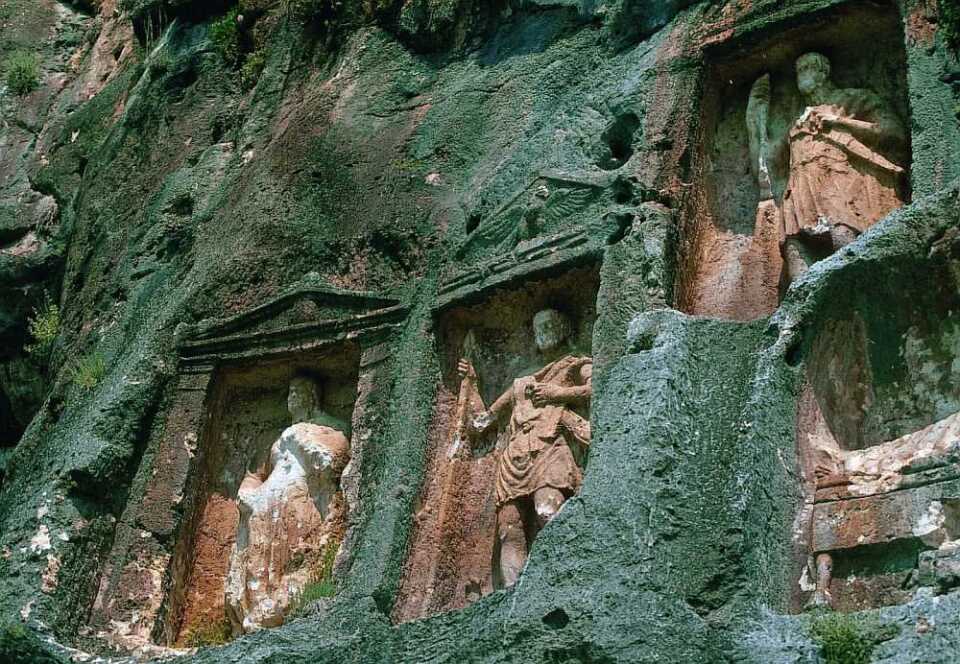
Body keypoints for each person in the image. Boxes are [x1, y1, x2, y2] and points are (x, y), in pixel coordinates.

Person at [747, 53, 907, 284]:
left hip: (840, 183)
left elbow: (893, 132)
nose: (800, 74)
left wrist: (840, 121)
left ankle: (858, 298)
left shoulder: (852, 100)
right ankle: (801, 313)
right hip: (800, 190)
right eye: (798, 70)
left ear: (824, 72)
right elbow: (767, 164)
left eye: (807, 68)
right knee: (795, 257)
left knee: (844, 240)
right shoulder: (797, 121)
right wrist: (754, 120)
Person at [459, 309, 592, 587]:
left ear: (563, 328)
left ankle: (559, 583)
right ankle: (512, 593)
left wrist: (559, 393)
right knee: (509, 529)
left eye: (547, 325)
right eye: (536, 327)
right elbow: (484, 421)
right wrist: (470, 382)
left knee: (548, 511)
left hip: (550, 446)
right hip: (515, 456)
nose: (540, 332)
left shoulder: (575, 364)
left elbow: (596, 387)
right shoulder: (523, 378)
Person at [224, 375, 349, 633]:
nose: (290, 398)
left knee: (294, 554)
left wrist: (302, 440)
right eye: (289, 392)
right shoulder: (279, 438)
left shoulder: (329, 428)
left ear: (312, 396)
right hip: (264, 508)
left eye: (297, 392)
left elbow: (332, 462)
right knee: (258, 561)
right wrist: (248, 493)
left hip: (299, 502)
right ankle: (254, 614)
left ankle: (282, 609)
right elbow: (256, 474)